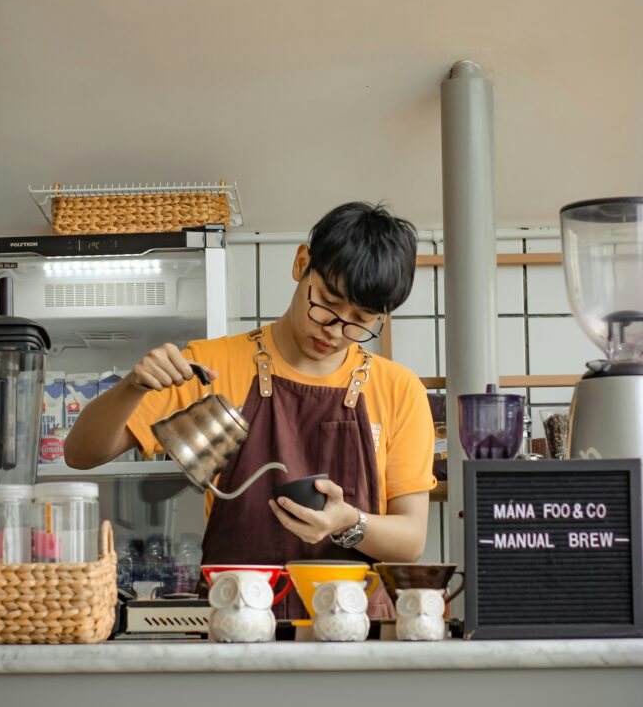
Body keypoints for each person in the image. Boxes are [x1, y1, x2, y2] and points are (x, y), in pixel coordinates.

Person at [64, 201, 436, 619]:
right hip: (235, 621)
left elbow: (410, 538)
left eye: (359, 321)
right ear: (301, 263)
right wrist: (132, 387)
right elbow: (80, 454)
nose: (335, 331)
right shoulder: (212, 367)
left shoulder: (399, 389)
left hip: (354, 629)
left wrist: (348, 522)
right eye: (328, 303)